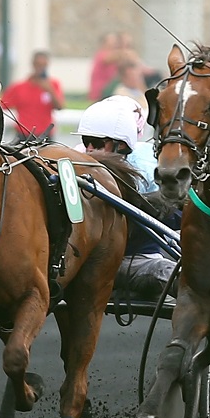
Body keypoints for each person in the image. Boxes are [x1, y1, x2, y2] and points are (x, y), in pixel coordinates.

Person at [76, 95, 180, 299]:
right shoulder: (74, 160)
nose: (88, 149)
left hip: (138, 260)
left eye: (96, 143)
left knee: (176, 275)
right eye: (86, 141)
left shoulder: (144, 166)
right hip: (86, 265)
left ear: (122, 145)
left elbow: (174, 215)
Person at [0, 50, 65, 141]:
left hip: (45, 135)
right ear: (33, 65)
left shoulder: (53, 85)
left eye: (44, 65)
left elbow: (60, 107)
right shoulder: (19, 87)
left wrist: (50, 91)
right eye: (38, 65)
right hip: (23, 134)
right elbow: (2, 104)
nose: (41, 68)